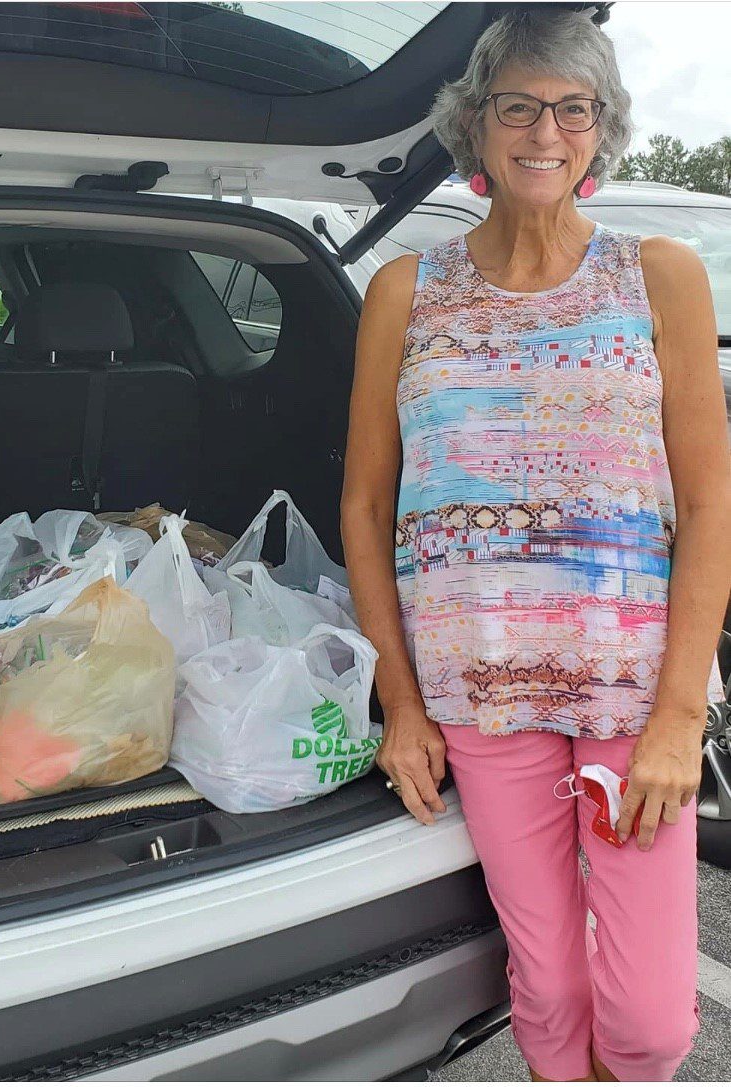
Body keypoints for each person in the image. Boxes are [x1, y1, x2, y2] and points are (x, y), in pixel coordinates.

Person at [340, 9, 731, 1083]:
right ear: (477, 121)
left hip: (631, 698)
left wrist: (680, 717)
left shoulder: (660, 275)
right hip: (481, 698)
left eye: (573, 108)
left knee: (649, 1020)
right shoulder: (405, 294)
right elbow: (369, 511)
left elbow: (708, 506)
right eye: (518, 104)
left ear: (601, 128)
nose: (545, 130)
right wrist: (402, 703)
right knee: (549, 994)